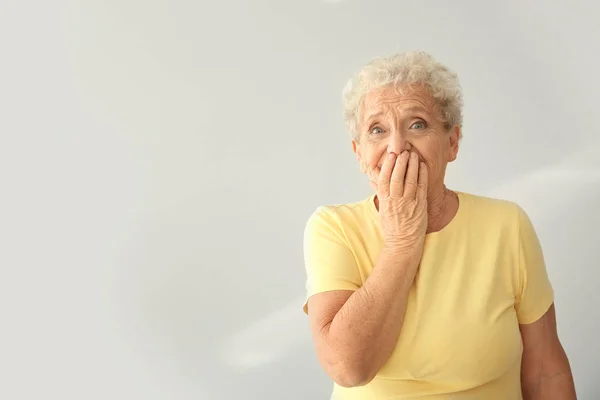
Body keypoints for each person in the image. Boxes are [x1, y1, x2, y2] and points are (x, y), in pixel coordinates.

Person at [302, 51, 577, 400]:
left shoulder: (507, 225)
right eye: (377, 130)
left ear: (452, 142)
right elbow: (348, 367)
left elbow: (545, 369)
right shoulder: (333, 228)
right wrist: (403, 241)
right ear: (359, 153)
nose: (397, 147)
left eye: (417, 124)